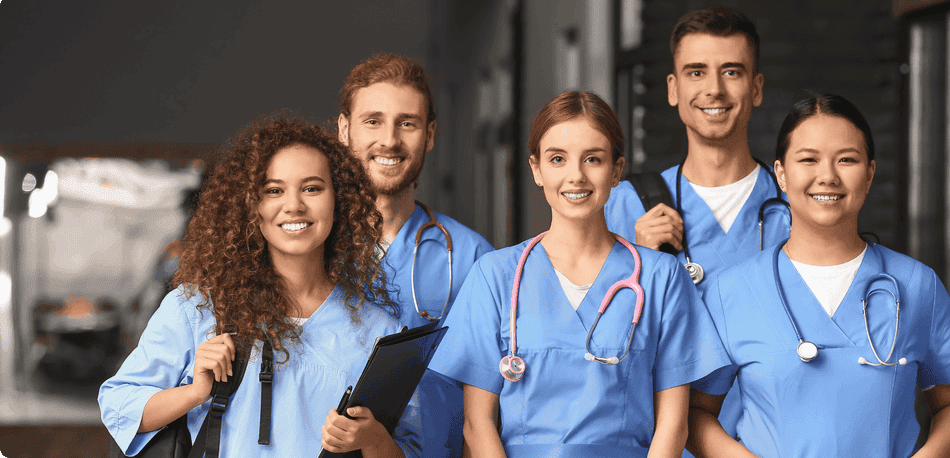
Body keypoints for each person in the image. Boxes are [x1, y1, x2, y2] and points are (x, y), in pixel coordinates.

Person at [429, 91, 729, 458]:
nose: (576, 176)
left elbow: (674, 425)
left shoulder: (661, 277)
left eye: (593, 159)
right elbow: (478, 426)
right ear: (536, 169)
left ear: (617, 170)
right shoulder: (494, 276)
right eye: (558, 159)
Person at [687, 94, 950, 457]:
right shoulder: (731, 291)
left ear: (870, 174)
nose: (827, 176)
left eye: (847, 160)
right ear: (780, 173)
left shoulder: (916, 285)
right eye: (808, 159)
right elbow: (695, 413)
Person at [100, 115, 408, 457]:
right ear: (251, 206)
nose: (293, 205)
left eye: (312, 188)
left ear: (340, 201)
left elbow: (415, 448)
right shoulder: (196, 309)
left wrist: (374, 440)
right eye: (273, 190)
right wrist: (193, 393)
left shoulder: (380, 333)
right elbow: (118, 406)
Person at [602, 7, 792, 443]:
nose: (714, 89)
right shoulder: (627, 204)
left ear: (756, 87)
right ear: (673, 88)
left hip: (772, 443)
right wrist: (636, 259)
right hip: (663, 445)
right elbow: (593, 345)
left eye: (732, 72)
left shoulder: (794, 208)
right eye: (695, 72)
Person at [336, 53, 494, 456]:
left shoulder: (472, 257)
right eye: (373, 121)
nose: (389, 139)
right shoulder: (310, 248)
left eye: (407, 123)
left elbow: (497, 395)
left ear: (430, 134)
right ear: (344, 129)